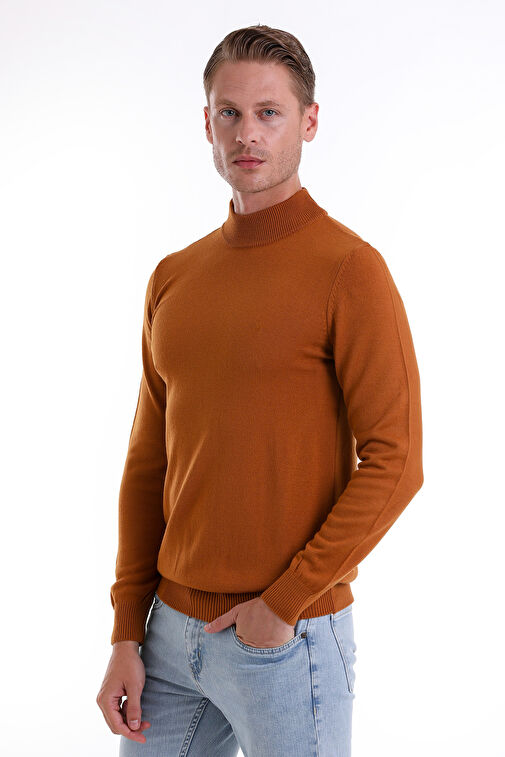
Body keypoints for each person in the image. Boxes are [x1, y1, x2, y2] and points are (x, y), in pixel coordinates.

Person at [96, 24, 424, 757]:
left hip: (284, 637)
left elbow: (397, 461)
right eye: (230, 112)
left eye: (269, 112)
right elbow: (148, 466)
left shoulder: (349, 270)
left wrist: (284, 602)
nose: (247, 133)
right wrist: (125, 631)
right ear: (207, 123)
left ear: (309, 121)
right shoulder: (173, 277)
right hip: (166, 638)